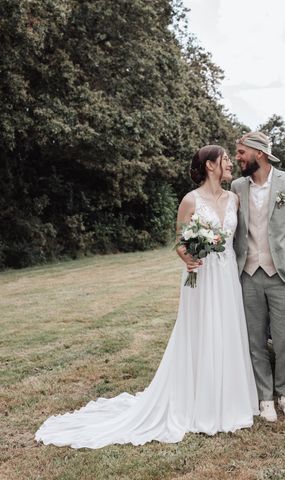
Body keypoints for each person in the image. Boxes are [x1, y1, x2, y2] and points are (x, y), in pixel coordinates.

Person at [35, 145, 258, 448]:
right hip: (201, 275)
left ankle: (227, 401)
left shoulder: (234, 199)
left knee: (227, 332)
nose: (231, 164)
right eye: (226, 160)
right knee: (201, 333)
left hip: (226, 275)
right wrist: (187, 258)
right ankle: (197, 403)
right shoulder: (190, 200)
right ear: (209, 165)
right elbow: (180, 241)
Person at [231, 132, 285, 422]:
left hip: (284, 275)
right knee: (254, 341)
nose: (237, 157)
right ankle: (265, 398)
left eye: (241, 152)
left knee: (284, 341)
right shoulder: (237, 186)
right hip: (248, 275)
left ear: (259, 154)